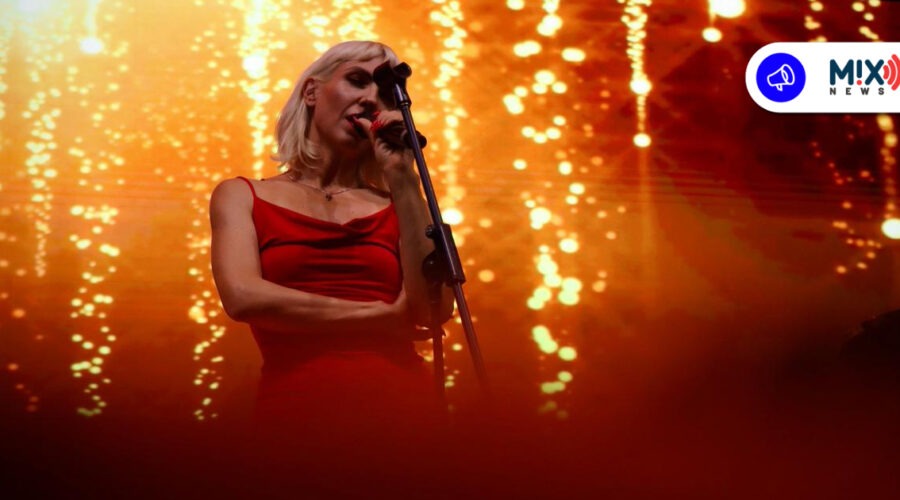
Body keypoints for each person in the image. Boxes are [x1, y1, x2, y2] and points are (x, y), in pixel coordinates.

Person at [208, 41, 454, 454]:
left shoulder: (402, 203)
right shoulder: (241, 195)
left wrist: (402, 176)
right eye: (357, 80)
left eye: (383, 93)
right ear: (311, 92)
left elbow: (434, 309)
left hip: (405, 419)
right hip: (296, 422)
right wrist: (382, 317)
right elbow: (244, 297)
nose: (371, 99)